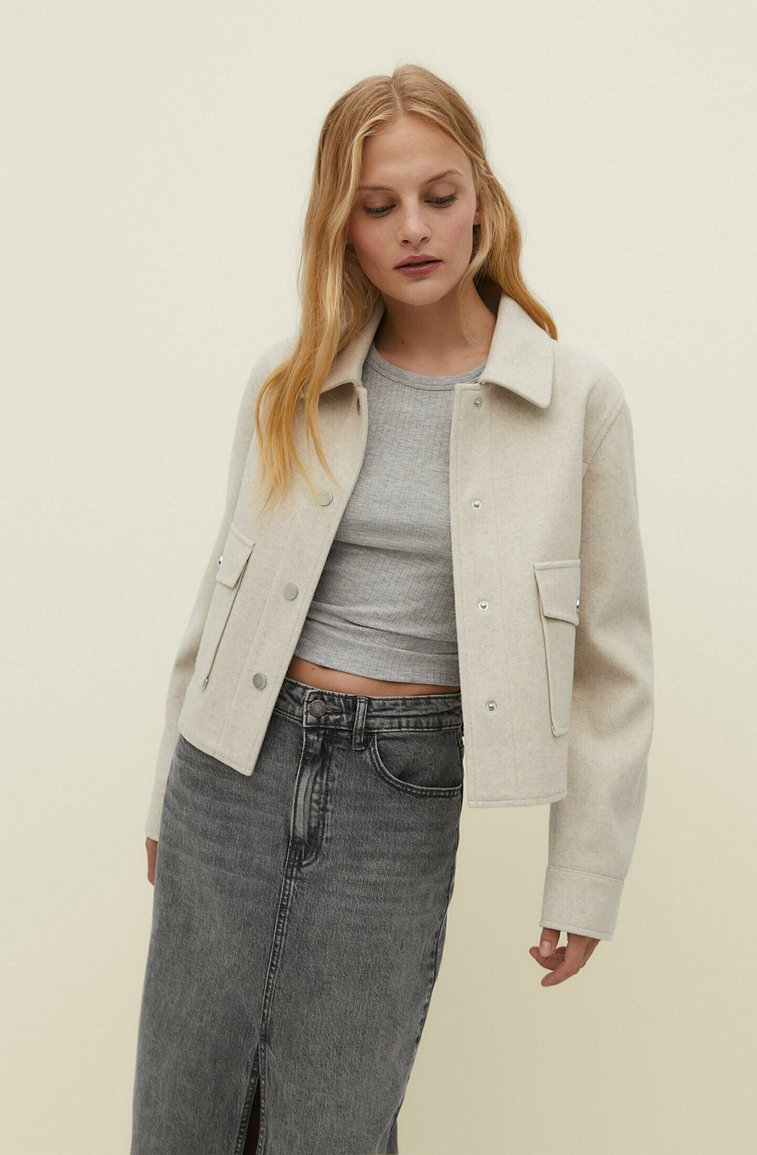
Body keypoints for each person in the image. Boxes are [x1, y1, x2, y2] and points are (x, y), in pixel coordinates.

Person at [131, 63, 654, 1155]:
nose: (414, 228)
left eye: (438, 195)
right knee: (183, 1114)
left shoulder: (574, 401)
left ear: (481, 202)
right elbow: (221, 599)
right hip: (231, 770)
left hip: (402, 783)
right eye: (377, 206)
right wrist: (162, 792)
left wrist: (584, 877)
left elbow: (610, 663)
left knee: (334, 1116)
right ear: (343, 229)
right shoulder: (289, 380)